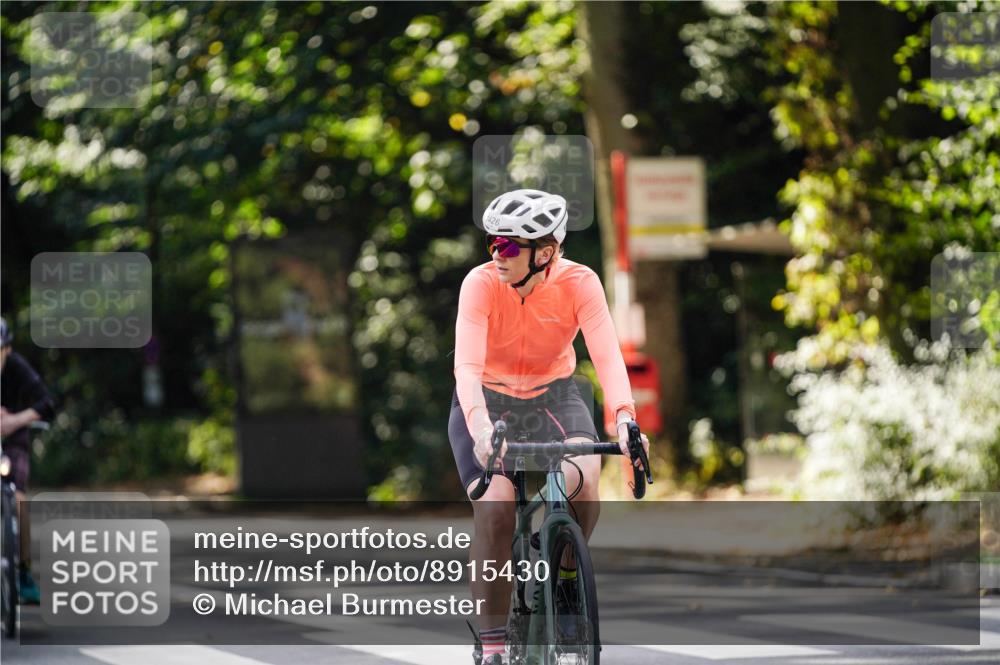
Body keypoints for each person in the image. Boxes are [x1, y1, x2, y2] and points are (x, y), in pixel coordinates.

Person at [450, 189, 650, 664]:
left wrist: (625, 418)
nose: (498, 254)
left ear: (547, 252)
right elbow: (466, 369)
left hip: (555, 394)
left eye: (511, 247)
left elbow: (606, 354)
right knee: (496, 511)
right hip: (487, 399)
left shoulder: (580, 282)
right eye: (494, 243)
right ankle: (493, 647)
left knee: (584, 481)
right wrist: (480, 429)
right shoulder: (480, 284)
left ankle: (564, 576)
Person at [0, 316, 56, 605]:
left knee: (18, 499)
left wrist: (13, 421)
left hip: (13, 441)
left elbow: (47, 404)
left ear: (7, 349)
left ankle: (23, 571)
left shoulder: (17, 368)